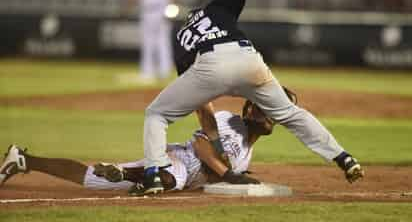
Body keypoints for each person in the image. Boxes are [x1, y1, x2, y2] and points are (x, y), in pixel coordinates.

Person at [140, 0, 364, 196]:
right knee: (291, 114)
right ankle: (343, 158)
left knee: (157, 114)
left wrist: (217, 146)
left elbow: (203, 108)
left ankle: (153, 175)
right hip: (248, 59)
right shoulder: (216, 9)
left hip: (210, 64)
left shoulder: (181, 37)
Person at [0, 100, 285, 192]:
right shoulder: (231, 123)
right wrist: (227, 174)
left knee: (89, 178)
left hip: (187, 177)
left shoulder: (248, 150)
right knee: (169, 178)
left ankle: (24, 160)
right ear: (250, 112)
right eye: (265, 111)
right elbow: (200, 145)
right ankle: (132, 176)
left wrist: (234, 173)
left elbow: (224, 167)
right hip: (181, 160)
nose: (270, 117)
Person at [127, 0, 180, 83]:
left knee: (162, 41)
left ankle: (164, 70)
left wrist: (171, 10)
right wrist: (127, 7)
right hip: (147, 11)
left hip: (161, 10)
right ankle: (148, 71)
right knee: (148, 42)